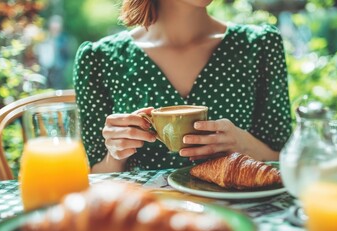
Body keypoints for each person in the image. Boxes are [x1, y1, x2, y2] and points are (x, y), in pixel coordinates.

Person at [74, 0, 292, 173]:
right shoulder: (98, 59)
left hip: (241, 216)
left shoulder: (260, 45)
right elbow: (96, 175)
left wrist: (245, 144)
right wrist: (116, 153)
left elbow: (285, 158)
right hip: (149, 218)